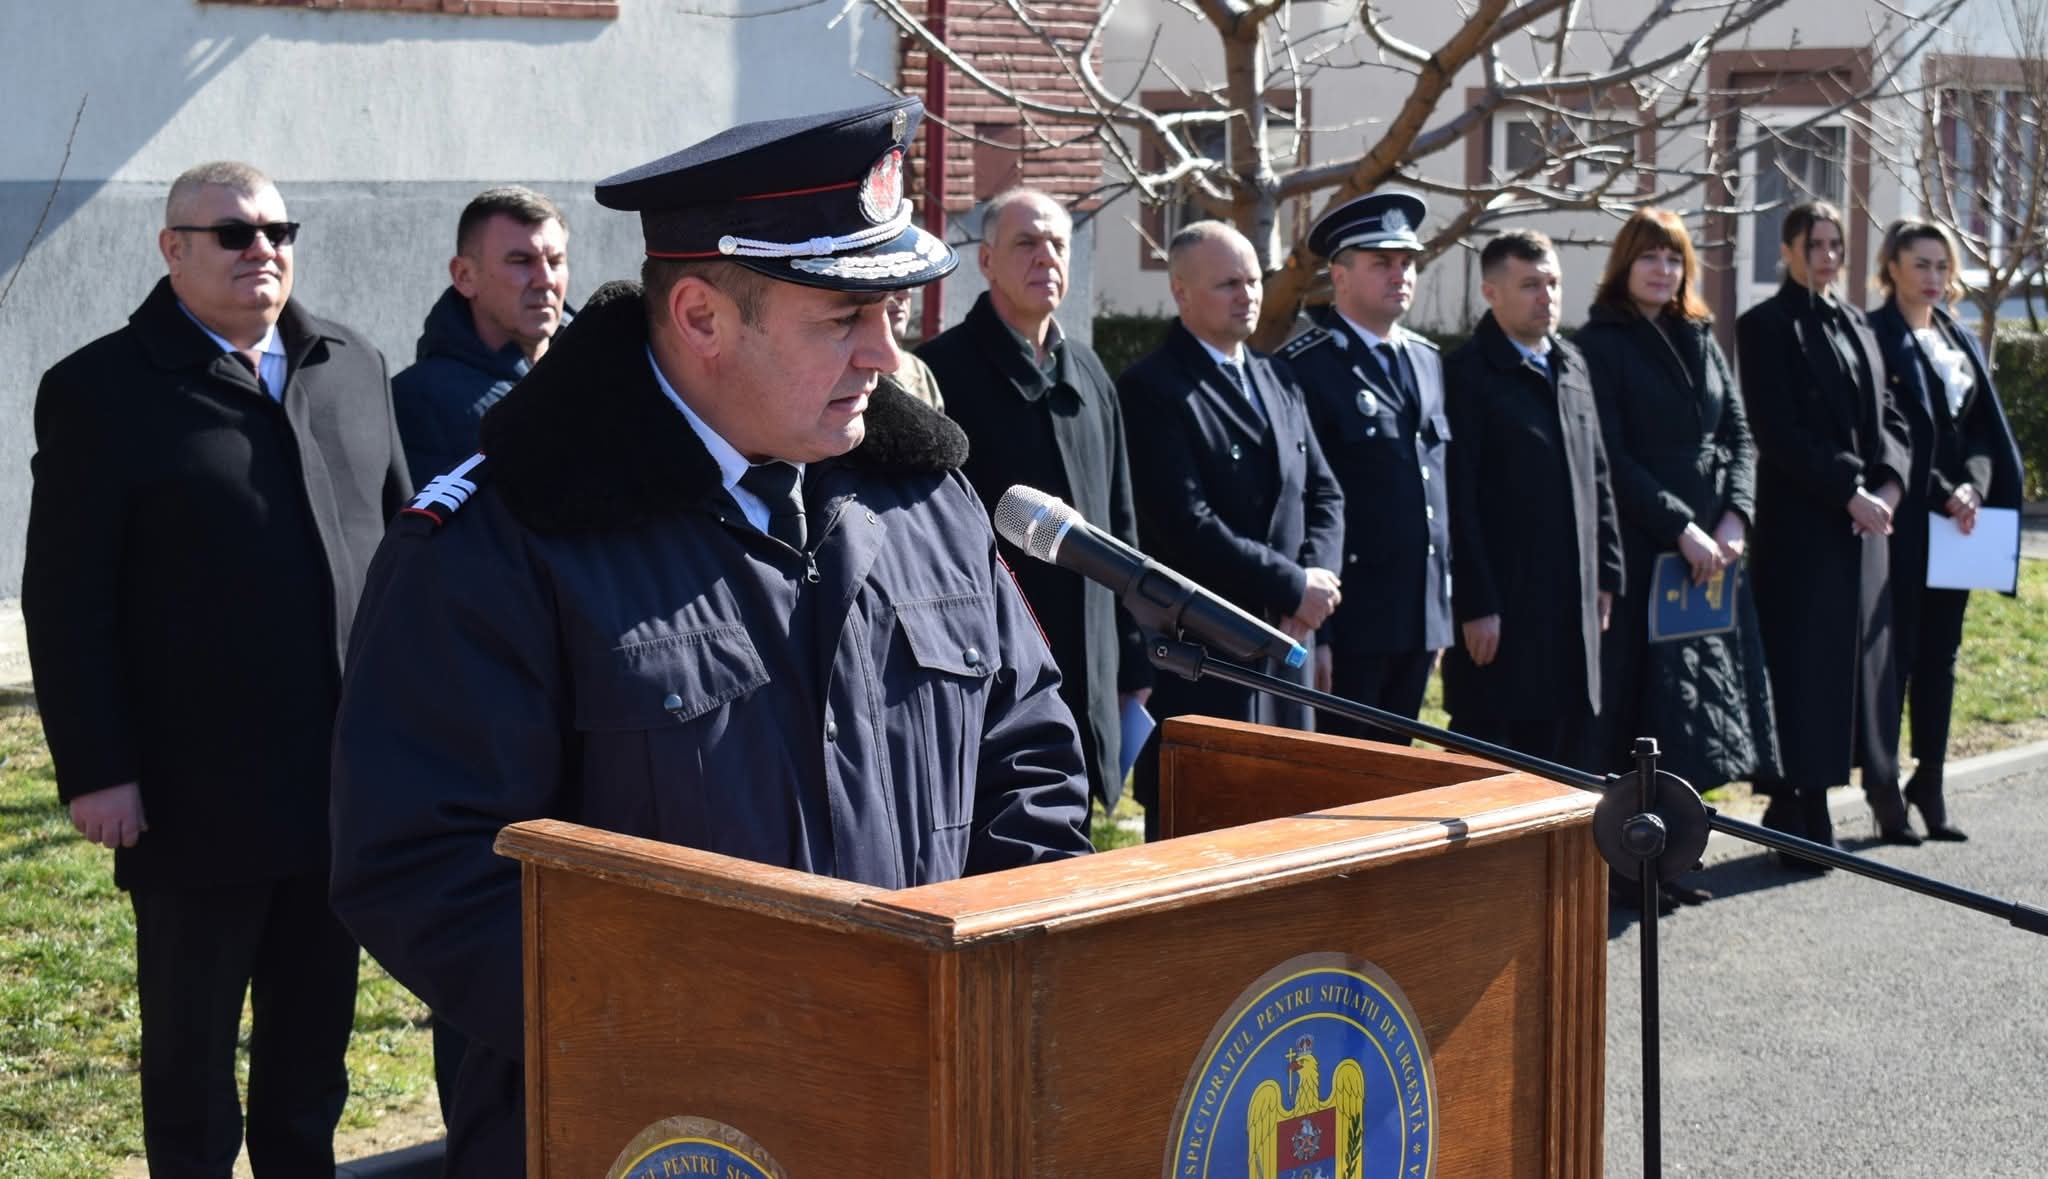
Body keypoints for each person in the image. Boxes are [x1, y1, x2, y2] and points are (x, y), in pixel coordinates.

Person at [326, 97, 1094, 1179]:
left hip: (923, 1108)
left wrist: (987, 984)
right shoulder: (505, 538)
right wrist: (728, 1040)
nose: (885, 354)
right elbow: (425, 863)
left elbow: (1031, 758)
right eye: (843, 317)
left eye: (890, 311)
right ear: (699, 318)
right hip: (652, 1137)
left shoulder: (925, 497)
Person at [22, 160, 411, 1176]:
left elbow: (406, 564)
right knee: (192, 1060)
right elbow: (65, 599)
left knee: (311, 1053)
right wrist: (98, 768)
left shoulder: (352, 364)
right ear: (173, 249)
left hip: (336, 786)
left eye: (279, 231)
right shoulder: (101, 391)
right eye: (234, 234)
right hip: (193, 791)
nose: (263, 251)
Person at [919, 187, 1149, 825]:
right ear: (986, 261)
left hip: (1091, 666)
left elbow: (1120, 525)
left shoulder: (1091, 373)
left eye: (1058, 244)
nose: (1046, 256)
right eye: (1026, 243)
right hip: (992, 667)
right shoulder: (941, 375)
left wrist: (1131, 658)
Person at [1576, 208, 1780, 909]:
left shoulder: (1700, 334)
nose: (1662, 270)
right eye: (1649, 257)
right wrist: (1680, 526)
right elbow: (1612, 456)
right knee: (1640, 714)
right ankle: (1625, 867)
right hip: (1647, 554)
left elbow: (1740, 435)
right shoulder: (1600, 343)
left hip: (1711, 558)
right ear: (1624, 265)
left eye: (1673, 258)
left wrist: (1735, 517)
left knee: (1690, 717)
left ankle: (1670, 860)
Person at [1117, 220, 1345, 839]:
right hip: (1210, 657)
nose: (1247, 295)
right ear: (1181, 292)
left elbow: (1324, 491)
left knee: (1287, 826)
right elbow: (1185, 525)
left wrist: (1316, 584)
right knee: (1206, 829)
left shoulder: (1279, 378)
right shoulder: (1153, 389)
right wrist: (1291, 585)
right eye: (1228, 284)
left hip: (1288, 643)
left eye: (1252, 281)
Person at [1737, 200, 1915, 861]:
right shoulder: (1764, 324)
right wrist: (1849, 489)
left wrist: (1889, 484)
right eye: (1815, 245)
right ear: (1787, 250)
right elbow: (1777, 430)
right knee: (1805, 668)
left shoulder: (1858, 323)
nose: (1829, 256)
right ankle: (1801, 804)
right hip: (1803, 527)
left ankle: (1845, 793)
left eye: (1836, 245)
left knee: (1859, 670)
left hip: (1864, 528)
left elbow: (1891, 416)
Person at [1866, 218, 2027, 841]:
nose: (1934, 277)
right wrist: (1942, 491)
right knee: (1898, 655)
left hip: (1961, 523)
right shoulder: (1875, 334)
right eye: (1921, 264)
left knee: (1943, 656)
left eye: (1942, 265)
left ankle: (1929, 783)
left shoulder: (1958, 336)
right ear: (1893, 268)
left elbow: (1983, 430)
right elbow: (1890, 433)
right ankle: (1884, 789)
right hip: (1906, 518)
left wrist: (1974, 488)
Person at [1441, 229, 1622, 767]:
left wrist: (1606, 575)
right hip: (1505, 613)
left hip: (1573, 609)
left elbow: (1598, 474)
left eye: (1553, 284)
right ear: (1491, 292)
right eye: (1530, 285)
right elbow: (1458, 499)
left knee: (1571, 760)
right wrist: (1476, 604)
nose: (1547, 297)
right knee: (1497, 760)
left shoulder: (1572, 364)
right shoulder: (1467, 375)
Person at [1278, 190, 1453, 743]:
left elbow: (1434, 488)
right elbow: (1305, 500)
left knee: (1396, 770)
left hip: (1418, 614)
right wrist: (1321, 633)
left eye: (1407, 262)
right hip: (1351, 618)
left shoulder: (1426, 360)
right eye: (1382, 262)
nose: (1400, 274)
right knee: (1342, 770)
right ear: (1340, 276)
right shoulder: (1308, 366)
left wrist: (1440, 612)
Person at [393, 185, 572, 484]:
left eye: (555, 261)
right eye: (521, 261)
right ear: (464, 276)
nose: (546, 280)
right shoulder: (417, 402)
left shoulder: (603, 378)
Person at [884, 288, 945, 410]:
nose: (901, 296)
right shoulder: (848, 369)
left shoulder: (918, 369)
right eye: (890, 286)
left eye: (907, 286)